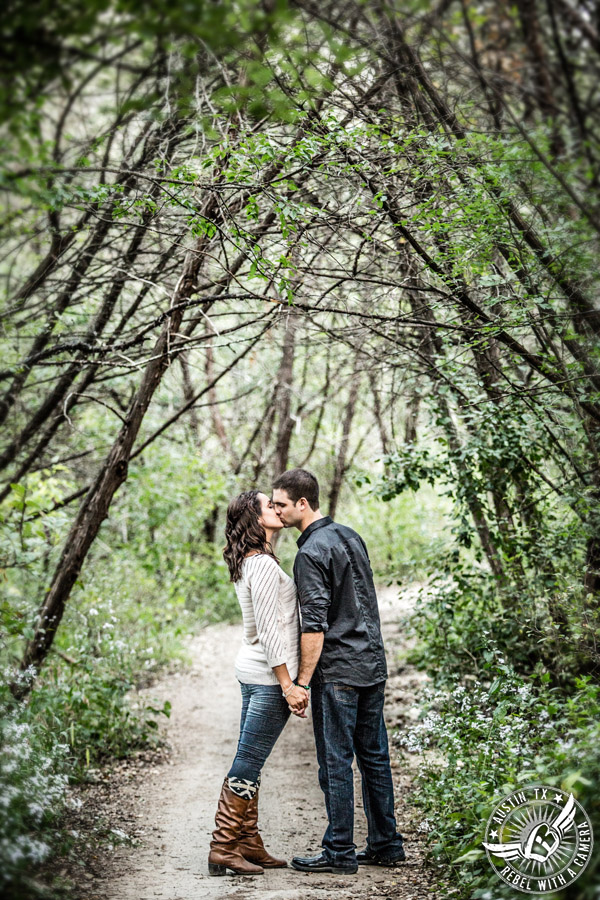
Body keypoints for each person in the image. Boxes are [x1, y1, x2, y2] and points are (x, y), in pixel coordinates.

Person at [271, 468, 406, 876]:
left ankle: (339, 852)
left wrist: (301, 682)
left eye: (280, 503)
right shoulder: (349, 535)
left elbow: (314, 624)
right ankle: (386, 845)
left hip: (340, 671)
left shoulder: (310, 552)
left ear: (302, 504)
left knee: (336, 762)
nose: (275, 510)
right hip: (372, 663)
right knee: (374, 759)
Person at [208, 489, 308, 876]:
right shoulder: (262, 566)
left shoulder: (250, 561)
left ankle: (247, 841)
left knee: (252, 758)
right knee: (248, 761)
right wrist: (288, 685)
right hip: (267, 679)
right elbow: (268, 631)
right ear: (254, 517)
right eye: (270, 505)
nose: (277, 509)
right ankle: (223, 845)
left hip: (255, 672)